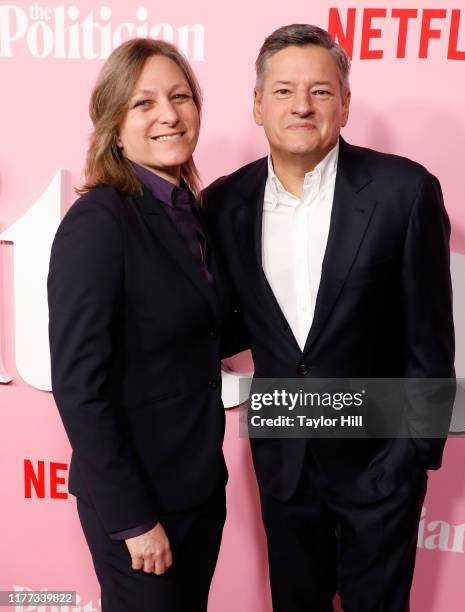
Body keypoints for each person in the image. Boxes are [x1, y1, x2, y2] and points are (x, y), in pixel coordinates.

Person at [204, 24, 455, 612]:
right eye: (285, 90)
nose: (302, 105)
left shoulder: (404, 190)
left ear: (345, 104)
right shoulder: (223, 202)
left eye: (321, 91)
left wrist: (410, 456)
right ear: (258, 105)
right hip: (283, 462)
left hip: (379, 466)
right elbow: (230, 321)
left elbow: (431, 339)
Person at [48, 38, 230, 611]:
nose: (169, 115)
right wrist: (132, 518)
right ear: (113, 123)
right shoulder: (99, 221)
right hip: (139, 502)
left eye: (180, 97)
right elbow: (79, 388)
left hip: (197, 488)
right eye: (144, 103)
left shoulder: (188, 213)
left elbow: (200, 334)